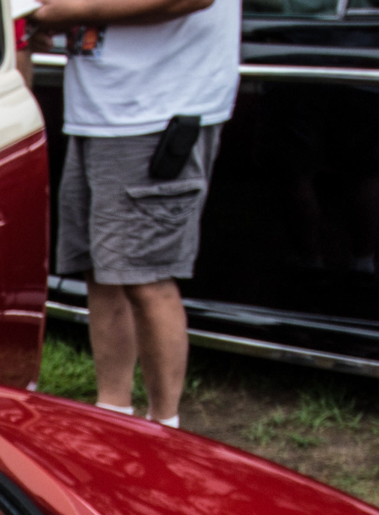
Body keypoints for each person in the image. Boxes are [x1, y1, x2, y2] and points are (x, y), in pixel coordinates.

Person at [30, 0, 239, 428]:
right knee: (103, 273)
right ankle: (114, 416)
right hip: (101, 110)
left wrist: (62, 13)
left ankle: (165, 431)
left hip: (156, 113)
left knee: (146, 278)